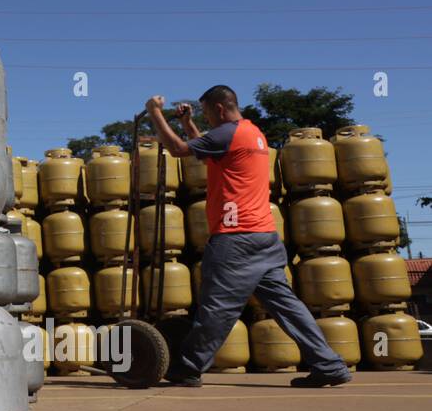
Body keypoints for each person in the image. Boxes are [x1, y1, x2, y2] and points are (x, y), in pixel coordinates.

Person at [143, 86, 351, 388]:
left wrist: (154, 113)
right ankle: (329, 364)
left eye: (205, 113)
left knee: (216, 307)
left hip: (235, 239)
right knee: (288, 307)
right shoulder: (252, 133)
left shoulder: (227, 133)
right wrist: (188, 125)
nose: (206, 119)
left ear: (219, 108)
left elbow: (177, 150)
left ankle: (187, 366)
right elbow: (206, 152)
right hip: (264, 236)